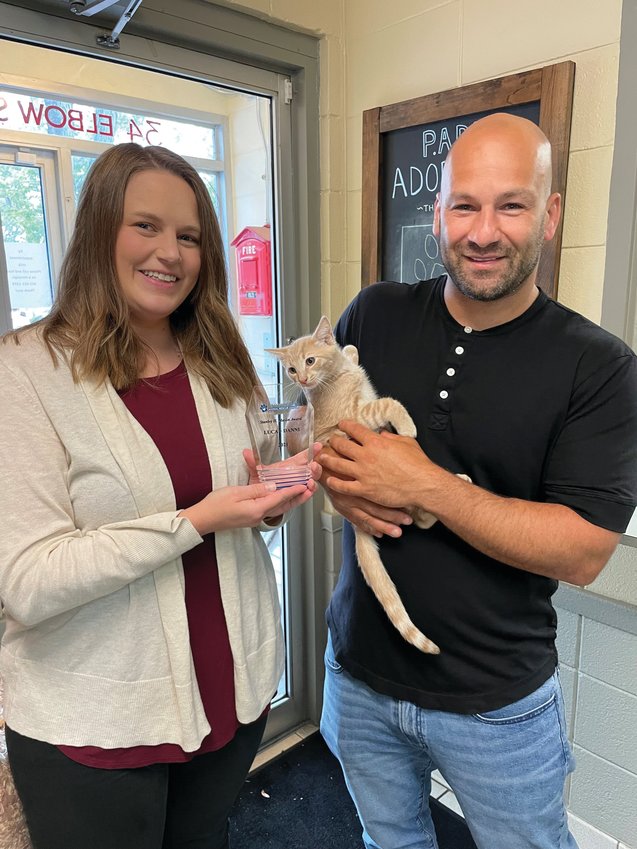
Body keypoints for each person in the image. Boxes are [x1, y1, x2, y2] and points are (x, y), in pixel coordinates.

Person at [318, 113, 637, 849]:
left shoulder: (598, 365)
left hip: (498, 706)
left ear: (549, 214)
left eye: (511, 204)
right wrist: (338, 480)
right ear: (437, 212)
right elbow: (326, 444)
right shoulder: (375, 312)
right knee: (387, 841)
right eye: (464, 204)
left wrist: (428, 485)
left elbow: (583, 551)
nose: (482, 231)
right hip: (359, 675)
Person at [0, 143, 320, 849]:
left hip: (230, 699)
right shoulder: (23, 374)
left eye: (188, 236)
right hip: (96, 726)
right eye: (145, 226)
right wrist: (195, 520)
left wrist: (277, 485)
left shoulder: (218, 358)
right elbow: (26, 581)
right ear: (98, 233)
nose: (169, 253)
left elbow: (243, 496)